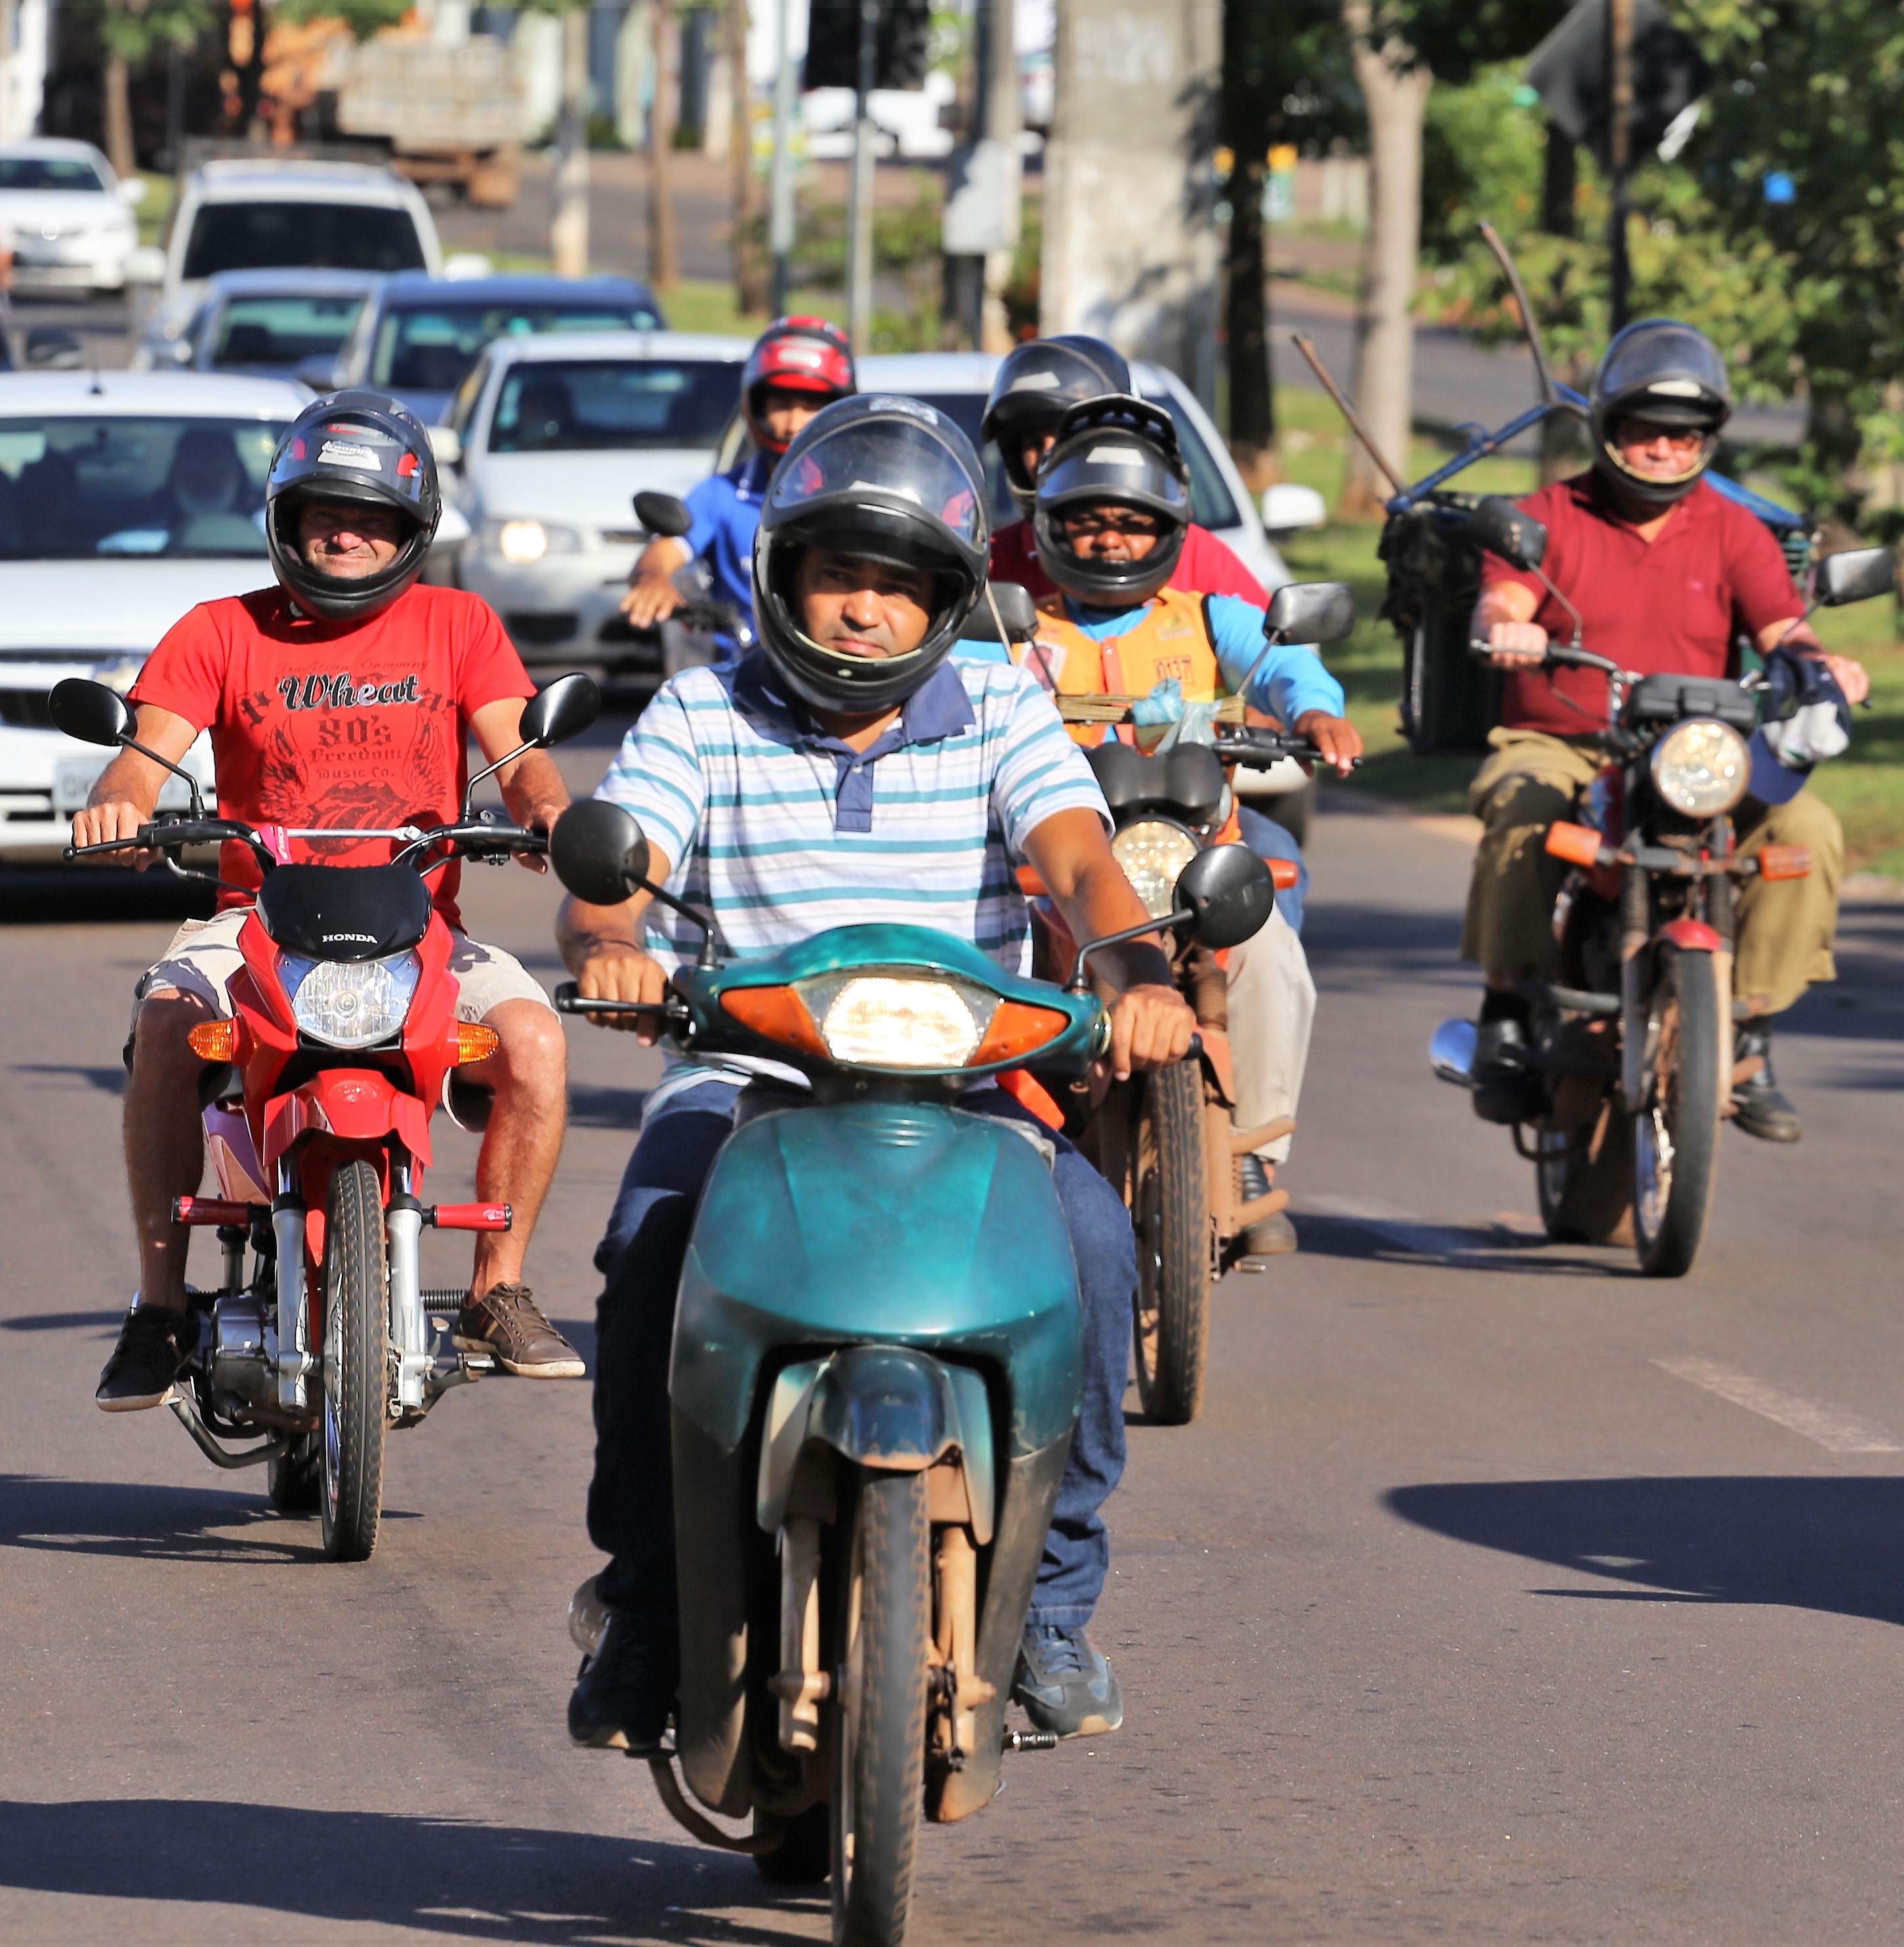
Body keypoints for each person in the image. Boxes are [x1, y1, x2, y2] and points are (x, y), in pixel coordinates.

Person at [558, 394, 1199, 1751]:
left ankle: (1052, 1602)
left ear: (946, 600)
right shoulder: (700, 709)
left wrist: (1137, 973)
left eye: (898, 587)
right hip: (742, 1079)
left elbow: (1081, 861)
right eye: (839, 576)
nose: (864, 611)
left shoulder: (1001, 708)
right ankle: (648, 1603)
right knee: (648, 1243)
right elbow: (620, 868)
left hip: (960, 1090)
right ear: (784, 575)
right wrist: (612, 943)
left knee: (1093, 1243)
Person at [70, 390, 587, 1408]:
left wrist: (549, 813)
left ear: (412, 528)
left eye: (371, 517)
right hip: (253, 922)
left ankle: (498, 1287)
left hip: (419, 928)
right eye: (323, 513)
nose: (345, 534)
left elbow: (521, 752)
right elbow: (139, 759)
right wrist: (118, 804)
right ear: (285, 520)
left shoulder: (459, 623)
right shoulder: (219, 630)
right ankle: (159, 1306)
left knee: (535, 1038)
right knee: (166, 1022)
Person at [1468, 319, 1870, 1142]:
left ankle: (1749, 1035)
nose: (1662, 450)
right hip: (1567, 741)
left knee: (1809, 831)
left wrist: (1822, 664)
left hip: (1693, 751)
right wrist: (1507, 625)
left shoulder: (1733, 528)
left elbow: (1782, 629)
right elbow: (1502, 597)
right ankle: (1505, 1009)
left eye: (1682, 436)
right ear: (1608, 428)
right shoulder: (1547, 515)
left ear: (1706, 441)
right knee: (1522, 806)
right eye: (1644, 431)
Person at [994, 392, 1359, 1259]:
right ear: (1048, 527)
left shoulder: (1204, 615)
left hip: (1196, 858)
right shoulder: (1012, 627)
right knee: (991, 952)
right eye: (1087, 523)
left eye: (1132, 523)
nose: (1110, 541)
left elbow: (1285, 664)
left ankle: (1251, 1155)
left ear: (1168, 531)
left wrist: (1314, 712)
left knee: (1271, 956)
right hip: (1056, 864)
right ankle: (998, 1135)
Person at [617, 316, 857, 663]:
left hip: (840, 669)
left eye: (812, 406)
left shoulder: (861, 495)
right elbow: (663, 552)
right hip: (745, 670)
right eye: (781, 404)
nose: (794, 424)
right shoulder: (722, 494)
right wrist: (654, 581)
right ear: (755, 406)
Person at [978, 335, 1268, 606]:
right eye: (1033, 443)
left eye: (1065, 438)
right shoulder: (991, 565)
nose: (1048, 457)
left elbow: (1267, 638)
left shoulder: (1196, 558)